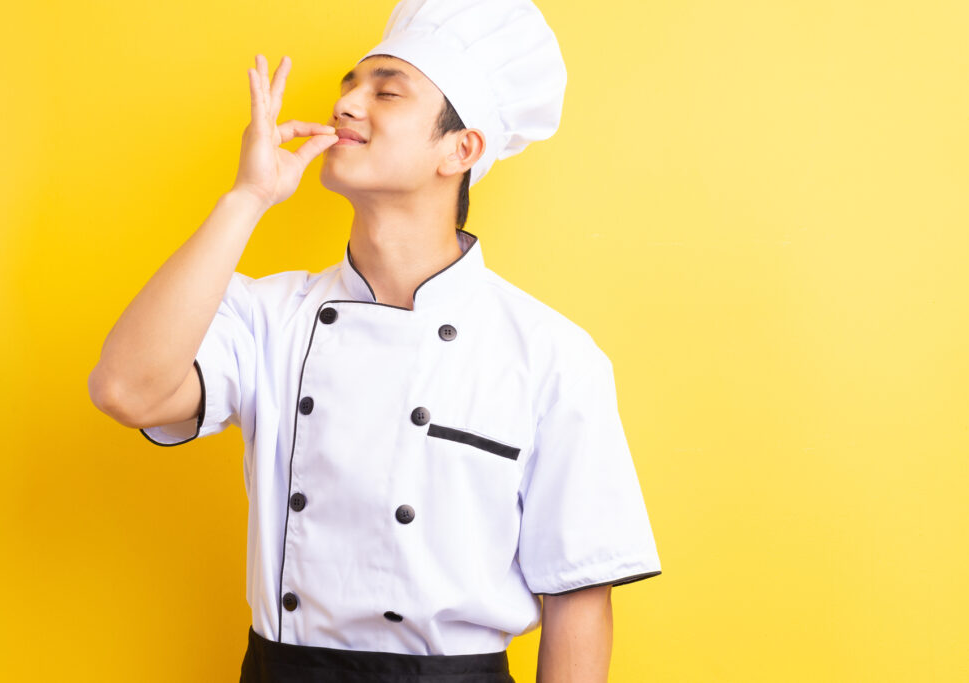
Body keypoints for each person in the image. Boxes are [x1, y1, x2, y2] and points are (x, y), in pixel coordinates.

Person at [89, 1, 662, 680]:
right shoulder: (270, 314)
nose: (348, 105)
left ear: (462, 148)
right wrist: (246, 199)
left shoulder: (551, 356)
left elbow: (578, 598)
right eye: (348, 86)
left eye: (386, 90)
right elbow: (127, 389)